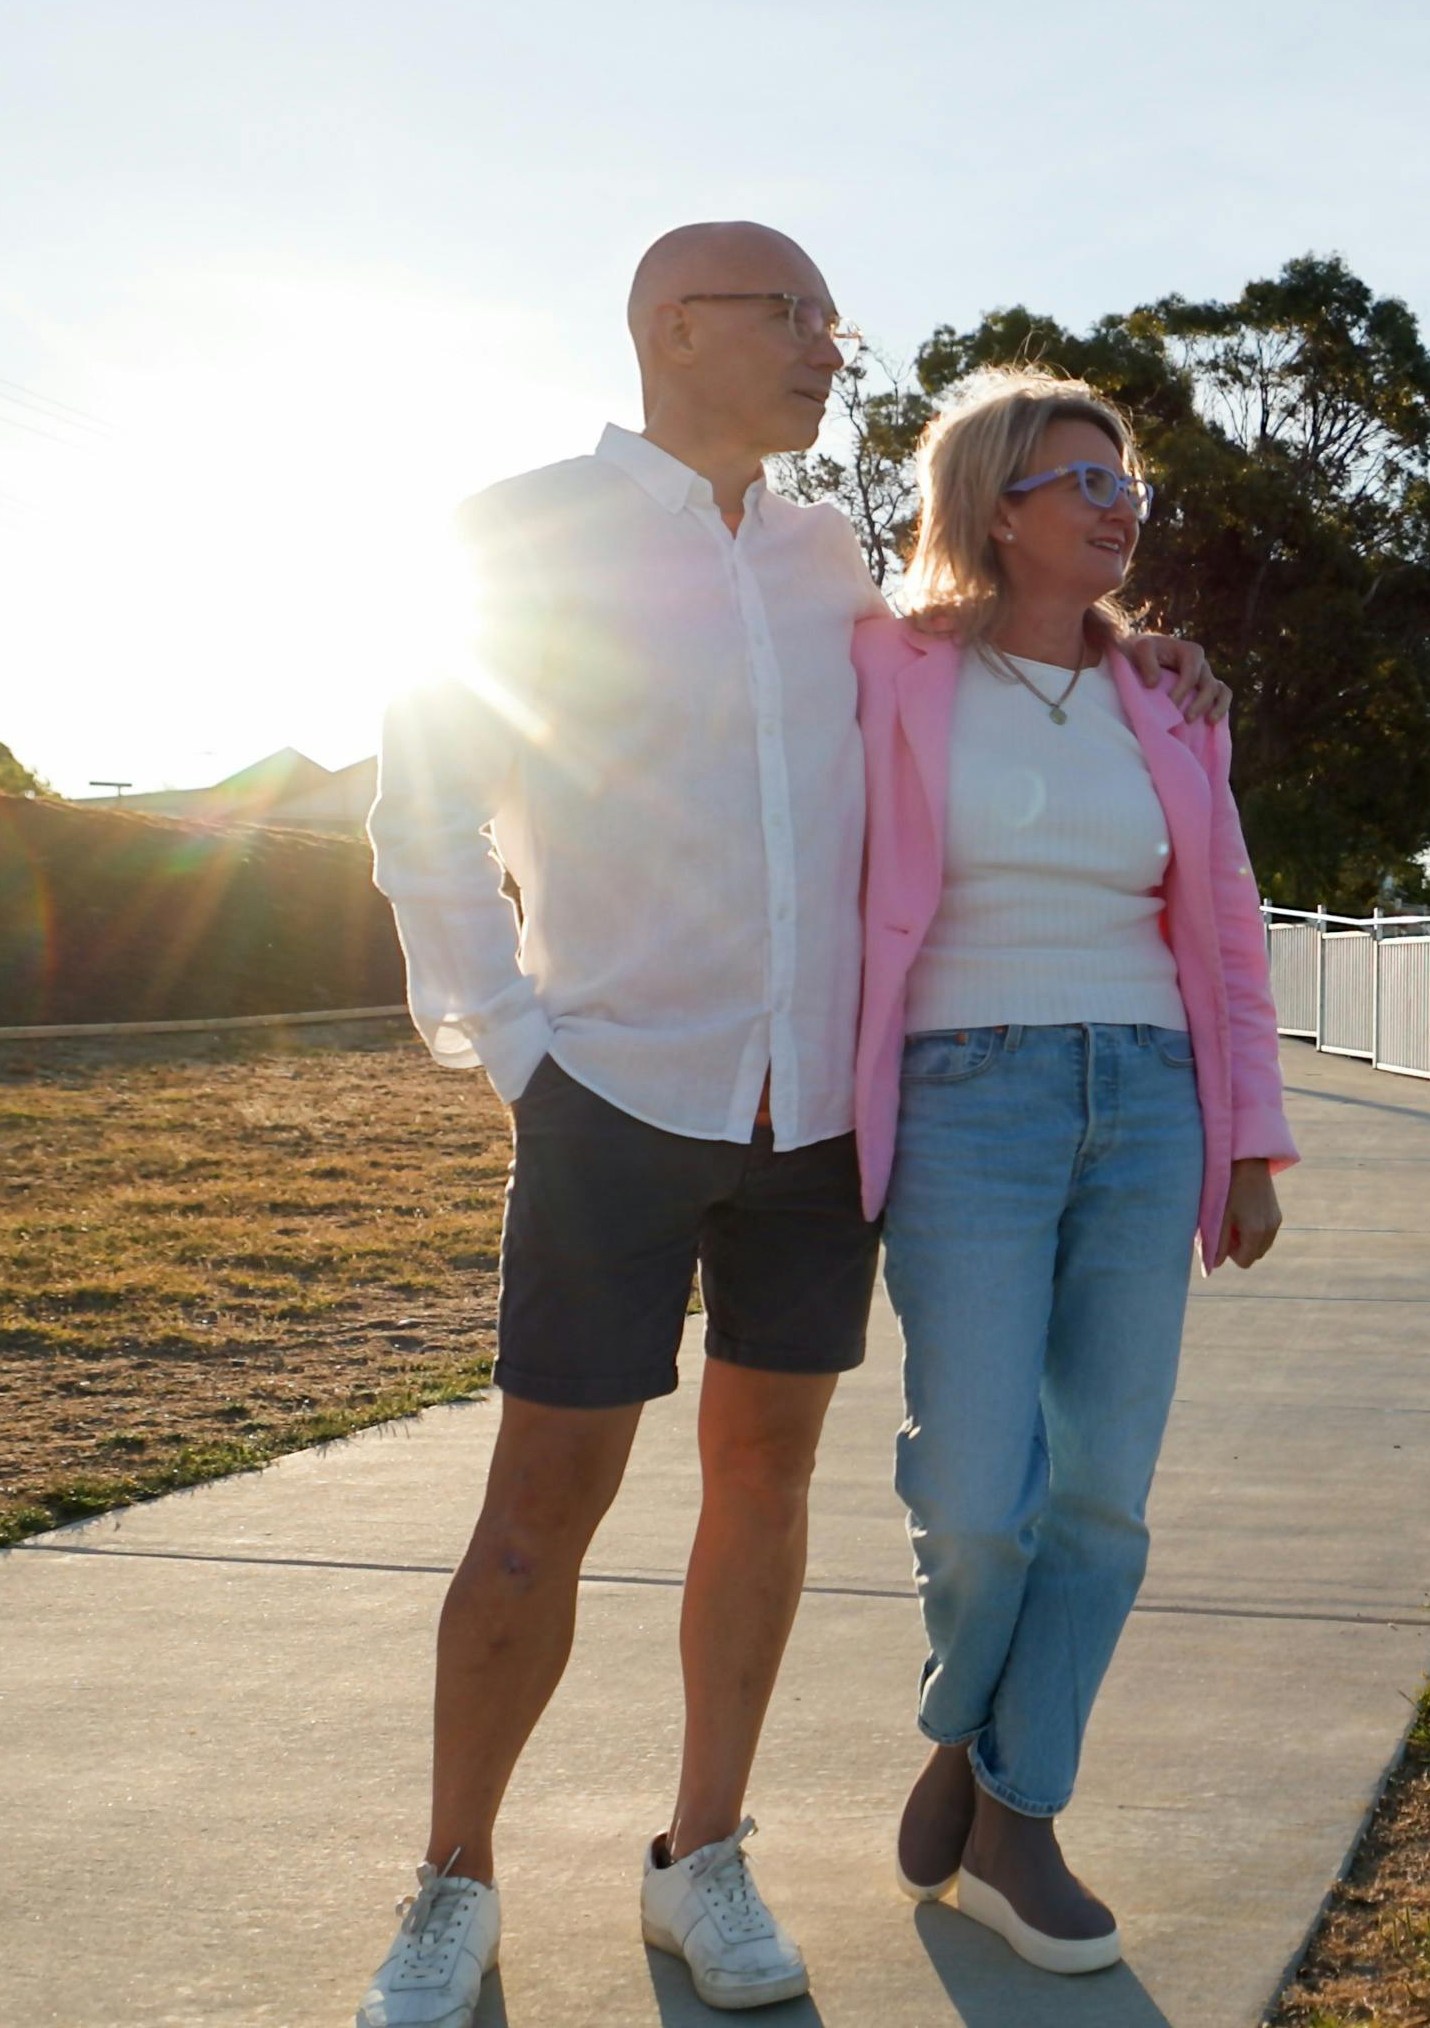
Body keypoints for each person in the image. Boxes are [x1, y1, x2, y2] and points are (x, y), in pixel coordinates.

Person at [354, 226, 1223, 2028]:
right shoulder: (518, 538)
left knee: (767, 1484)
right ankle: (451, 1885)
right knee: (544, 1503)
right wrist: (518, 1047)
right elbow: (422, 814)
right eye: (796, 315)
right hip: (614, 1092)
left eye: (837, 320)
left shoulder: (835, 561)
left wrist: (1161, 667)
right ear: (676, 324)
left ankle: (705, 1854)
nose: (832, 346)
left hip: (817, 1113)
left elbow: (1003, 659)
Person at [849, 368, 1294, 1974]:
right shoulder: (886, 669)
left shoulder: (1169, 700)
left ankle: (1017, 1803)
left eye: (1129, 488)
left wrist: (1250, 1139)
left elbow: (1229, 929)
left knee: (1100, 1488)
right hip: (964, 1097)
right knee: (977, 1495)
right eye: (1084, 482)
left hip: (1151, 1095)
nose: (1120, 508)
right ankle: (960, 1737)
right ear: (995, 507)